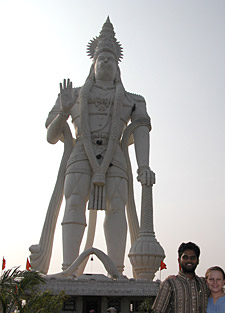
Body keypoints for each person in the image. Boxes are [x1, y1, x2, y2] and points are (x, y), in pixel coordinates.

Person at [33, 17, 155, 275]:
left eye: (112, 59)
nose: (107, 62)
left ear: (118, 65)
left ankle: (117, 272)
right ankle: (68, 270)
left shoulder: (134, 100)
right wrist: (64, 112)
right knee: (74, 201)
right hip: (80, 154)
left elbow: (141, 129)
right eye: (103, 58)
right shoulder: (73, 95)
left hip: (115, 159)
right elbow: (51, 136)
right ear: (94, 62)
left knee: (116, 205)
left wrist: (144, 166)